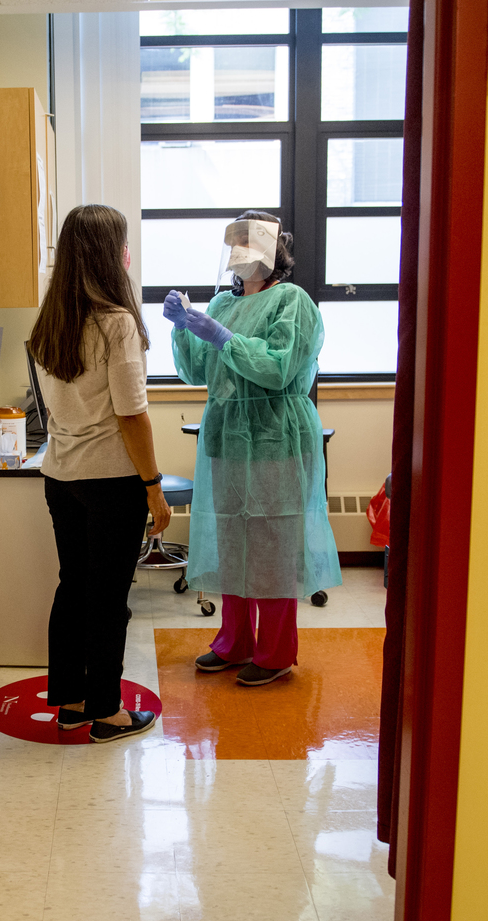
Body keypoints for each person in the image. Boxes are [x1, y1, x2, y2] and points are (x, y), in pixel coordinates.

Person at [162, 210, 341, 686]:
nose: (238, 253)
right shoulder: (222, 303)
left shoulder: (293, 301)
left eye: (248, 242)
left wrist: (224, 338)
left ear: (270, 249)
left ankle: (275, 651)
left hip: (275, 434)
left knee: (273, 547)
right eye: (234, 243)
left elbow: (278, 369)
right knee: (232, 541)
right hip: (226, 435)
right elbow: (196, 372)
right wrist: (183, 327)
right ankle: (234, 642)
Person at [27, 204, 170, 743]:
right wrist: (154, 488)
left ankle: (70, 700)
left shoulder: (51, 322)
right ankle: (107, 712)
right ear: (112, 255)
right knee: (109, 596)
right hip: (111, 481)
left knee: (74, 587)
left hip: (61, 478)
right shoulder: (117, 323)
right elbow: (132, 414)